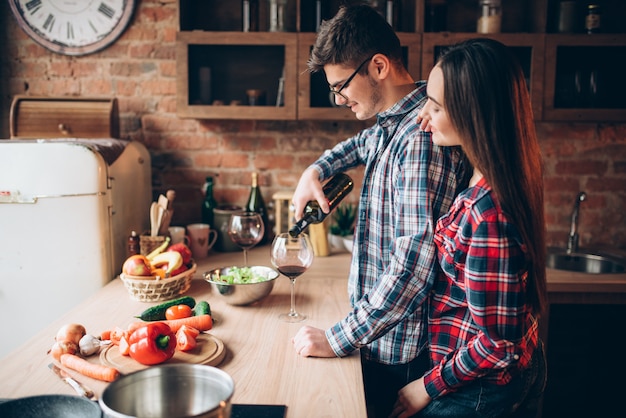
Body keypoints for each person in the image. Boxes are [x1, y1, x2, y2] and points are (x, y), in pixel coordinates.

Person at [289, 5, 464, 417]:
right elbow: (359, 146)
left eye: (341, 86)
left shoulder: (419, 140)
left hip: (401, 353)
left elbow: (413, 268)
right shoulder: (392, 125)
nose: (338, 99)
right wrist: (315, 169)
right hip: (378, 340)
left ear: (379, 66)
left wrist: (337, 338)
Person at [391, 38, 548, 418]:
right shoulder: (482, 175)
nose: (422, 116)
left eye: (436, 106)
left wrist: (424, 387)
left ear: (475, 113)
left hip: (477, 389)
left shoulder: (487, 212)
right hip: (479, 379)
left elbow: (498, 345)